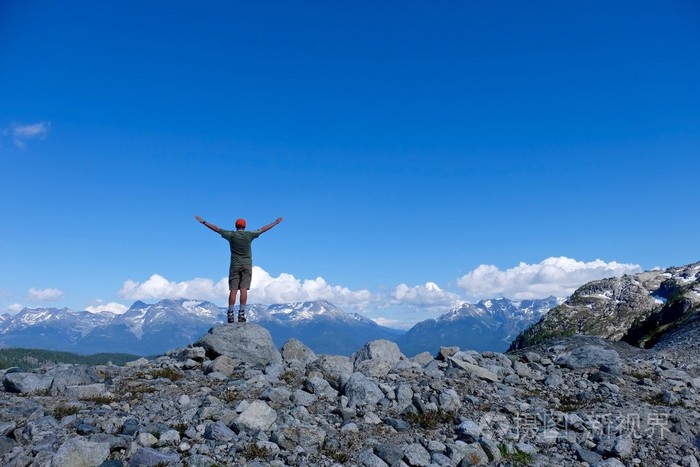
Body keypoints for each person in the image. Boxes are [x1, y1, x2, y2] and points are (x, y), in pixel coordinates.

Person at [194, 214, 283, 323]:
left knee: (233, 290)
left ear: (235, 226)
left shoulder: (231, 235)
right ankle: (241, 314)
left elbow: (216, 229)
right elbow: (263, 229)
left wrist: (203, 222)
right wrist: (275, 222)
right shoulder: (249, 235)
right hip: (247, 265)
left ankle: (230, 314)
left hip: (234, 265)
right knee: (244, 289)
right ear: (244, 226)